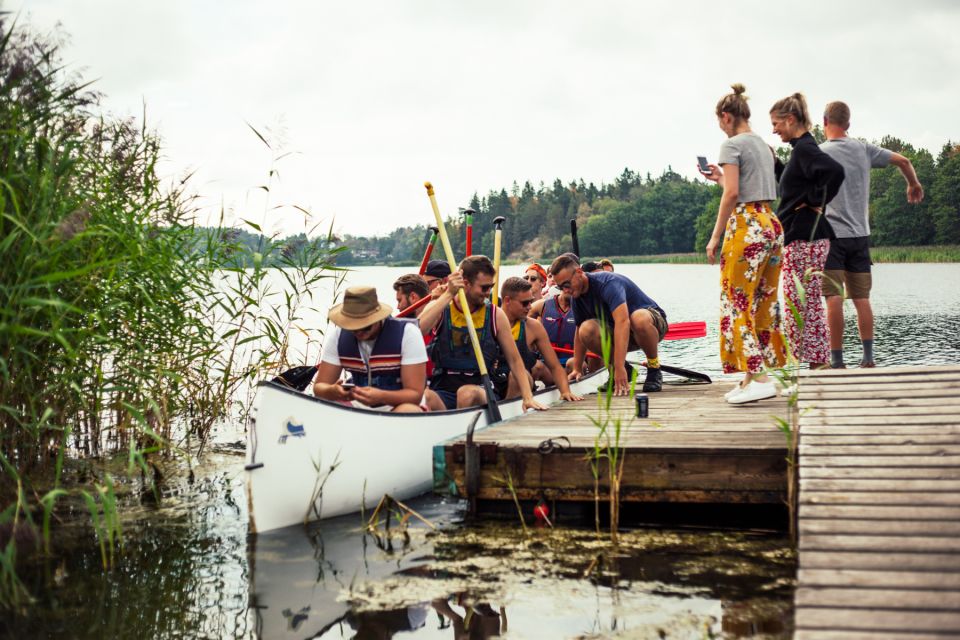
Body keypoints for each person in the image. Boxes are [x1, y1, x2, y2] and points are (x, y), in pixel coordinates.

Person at [819, 100, 925, 369]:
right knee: (861, 298)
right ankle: (868, 359)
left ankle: (837, 361)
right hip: (860, 236)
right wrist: (913, 183)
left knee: (833, 297)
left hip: (832, 236)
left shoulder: (819, 153)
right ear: (849, 125)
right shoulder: (864, 149)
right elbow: (904, 160)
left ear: (824, 122)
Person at [700, 83, 787, 404]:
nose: (720, 127)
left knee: (736, 302)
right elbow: (744, 186)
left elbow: (734, 194)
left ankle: (760, 377)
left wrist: (715, 236)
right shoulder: (764, 145)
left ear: (726, 117)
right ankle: (752, 377)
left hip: (747, 226)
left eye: (719, 121)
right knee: (762, 302)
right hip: (771, 224)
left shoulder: (731, 145)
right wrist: (720, 178)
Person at [770, 92, 845, 370]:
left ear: (791, 119)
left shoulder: (804, 148)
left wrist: (815, 201)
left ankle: (814, 364)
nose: (774, 129)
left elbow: (834, 171)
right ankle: (817, 364)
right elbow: (793, 187)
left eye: (776, 123)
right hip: (805, 236)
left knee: (800, 303)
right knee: (805, 303)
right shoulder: (799, 150)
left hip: (805, 236)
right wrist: (777, 164)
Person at [418, 256, 547, 412]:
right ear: (465, 284)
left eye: (491, 287)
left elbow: (515, 360)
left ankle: (462, 432)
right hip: (444, 388)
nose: (488, 293)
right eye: (484, 288)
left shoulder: (496, 315)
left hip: (481, 387)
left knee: (466, 393)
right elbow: (417, 331)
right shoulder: (442, 307)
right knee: (425, 396)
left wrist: (528, 397)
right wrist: (447, 295)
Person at [548, 253, 667, 395]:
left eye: (567, 285)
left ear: (579, 272)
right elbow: (579, 332)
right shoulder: (576, 296)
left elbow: (623, 322)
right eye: (561, 288)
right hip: (623, 332)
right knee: (586, 329)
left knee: (638, 318)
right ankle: (624, 369)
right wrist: (577, 368)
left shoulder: (607, 283)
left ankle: (654, 368)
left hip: (650, 325)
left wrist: (618, 365)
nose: (565, 291)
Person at [313, 286, 427, 412]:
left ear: (378, 318)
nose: (359, 332)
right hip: (356, 404)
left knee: (409, 410)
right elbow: (319, 387)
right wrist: (333, 391)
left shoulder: (408, 333)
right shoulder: (338, 336)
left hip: (397, 404)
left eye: (365, 326)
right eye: (353, 327)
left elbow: (415, 395)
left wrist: (382, 396)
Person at [497, 276, 582, 400]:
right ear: (507, 300)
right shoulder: (489, 321)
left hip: (521, 381)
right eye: (525, 303)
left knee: (520, 374)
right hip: (494, 380)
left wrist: (565, 391)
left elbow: (554, 366)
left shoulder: (533, 327)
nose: (530, 307)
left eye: (531, 302)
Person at [393, 273, 446, 411]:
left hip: (437, 388)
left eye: (399, 301)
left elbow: (421, 326)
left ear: (413, 297)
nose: (397, 307)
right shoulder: (400, 327)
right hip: (412, 389)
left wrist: (438, 300)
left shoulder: (439, 316)